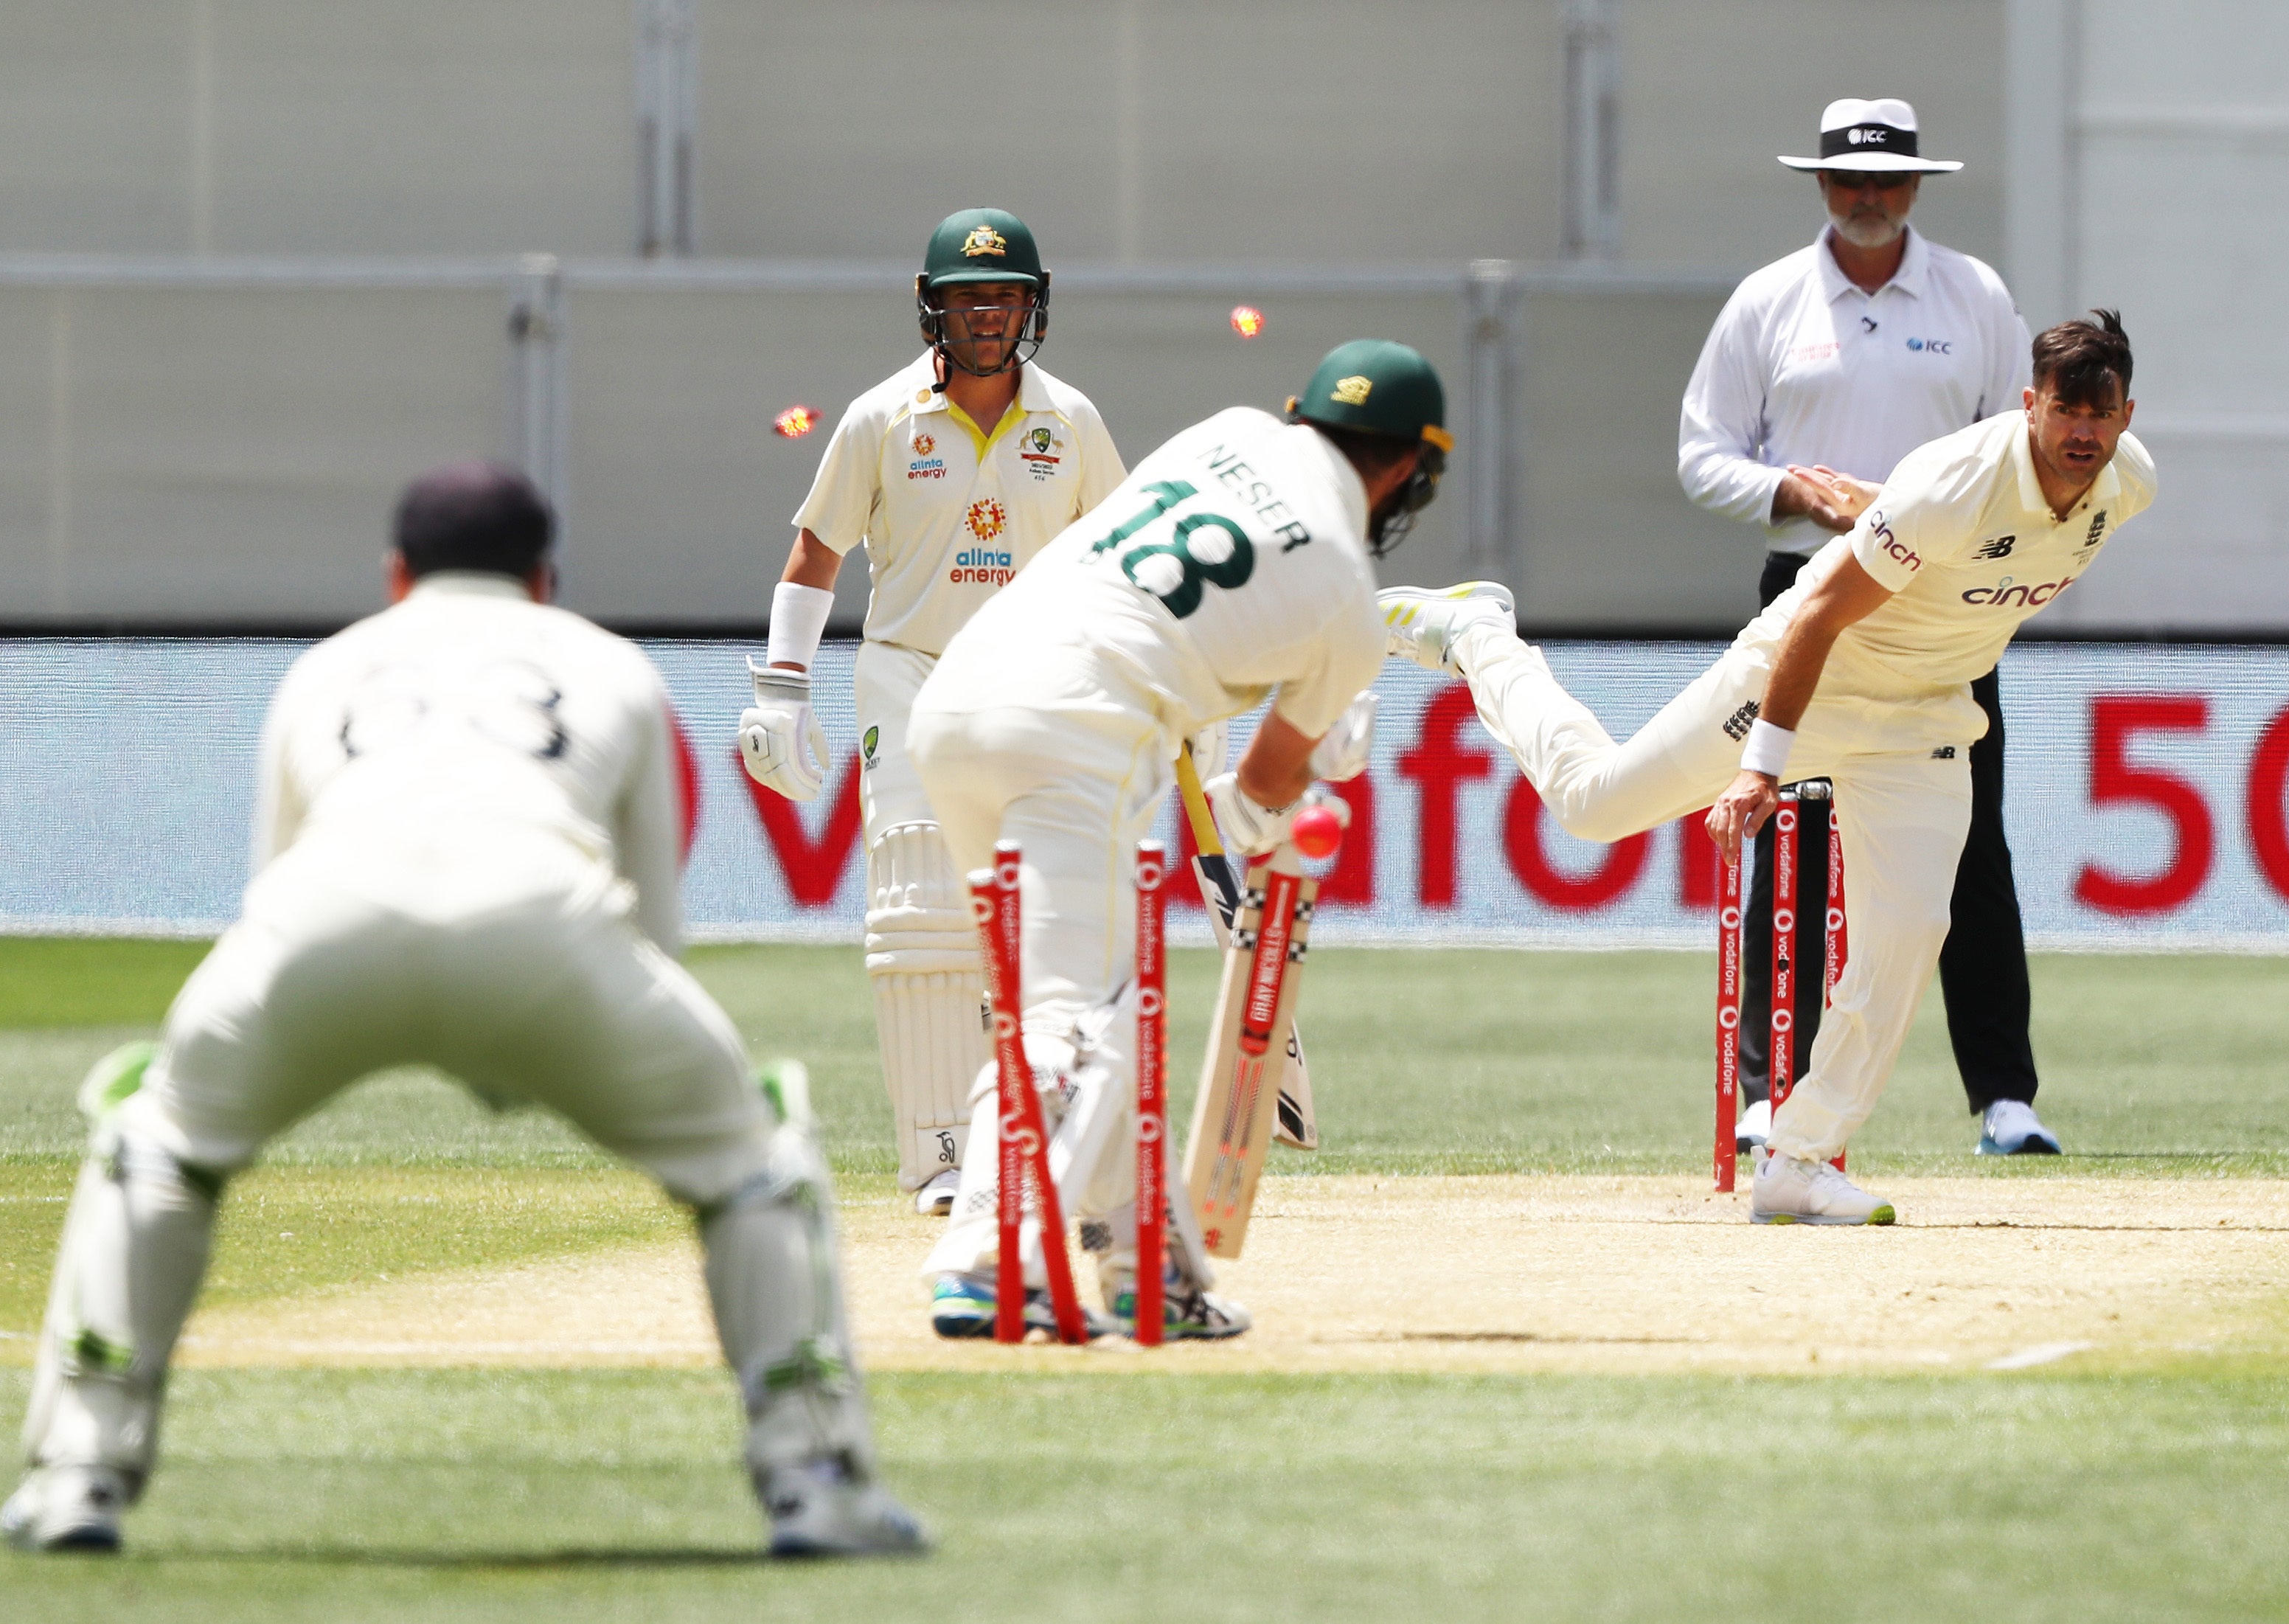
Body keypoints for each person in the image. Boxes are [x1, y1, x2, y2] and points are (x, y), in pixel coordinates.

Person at [0, 464, 923, 1558]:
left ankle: (75, 1476)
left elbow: (271, 888)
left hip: (318, 927)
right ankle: (816, 1481)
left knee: (155, 1146)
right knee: (754, 1162)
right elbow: (656, 931)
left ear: (395, 574)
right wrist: (545, 1038)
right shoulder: (610, 664)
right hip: (548, 930)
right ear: (545, 578)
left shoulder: (327, 667)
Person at [1385, 313, 2150, 1224]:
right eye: (2065, 409)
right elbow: (1817, 612)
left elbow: (1963, 546)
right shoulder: (1959, 482)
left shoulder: (2127, 484)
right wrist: (1762, 769)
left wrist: (1887, 505)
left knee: (1907, 934)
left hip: (1925, 721)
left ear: (2126, 414)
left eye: (2101, 416)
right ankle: (1479, 636)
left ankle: (1798, 1156)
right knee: (1594, 807)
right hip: (1807, 677)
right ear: (2030, 405)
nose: (2082, 434)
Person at [908, 339, 1435, 1336]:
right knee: (1077, 1016)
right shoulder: (1348, 601)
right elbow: (1269, 790)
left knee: (1064, 1005)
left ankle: (1150, 1271)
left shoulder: (1231, 431)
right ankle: (986, 1255)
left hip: (961, 694)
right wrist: (1322, 757)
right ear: (1411, 467)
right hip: (1077, 735)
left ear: (1303, 414)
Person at [1676, 96, 2059, 1159]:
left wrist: (1972, 551)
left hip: (1939, 605)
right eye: (1851, 180)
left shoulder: (1973, 293)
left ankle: (2004, 1096)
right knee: (1787, 831)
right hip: (1806, 592)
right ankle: (1768, 1088)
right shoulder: (1769, 301)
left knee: (1970, 841)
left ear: (1918, 185)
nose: (1869, 198)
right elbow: (1703, 457)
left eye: (1889, 180)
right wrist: (1793, 492)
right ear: (1821, 184)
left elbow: (2017, 444)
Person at [739, 207, 1128, 1216]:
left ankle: (1047, 1136)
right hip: (911, 672)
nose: (986, 315)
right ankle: (943, 1154)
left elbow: (1125, 562)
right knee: (922, 907)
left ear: (1032, 309)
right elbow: (817, 553)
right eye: (967, 297)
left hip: (1037, 682)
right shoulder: (879, 418)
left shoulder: (1073, 421)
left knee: (1043, 910)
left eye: (1003, 297)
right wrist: (782, 689)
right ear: (932, 310)